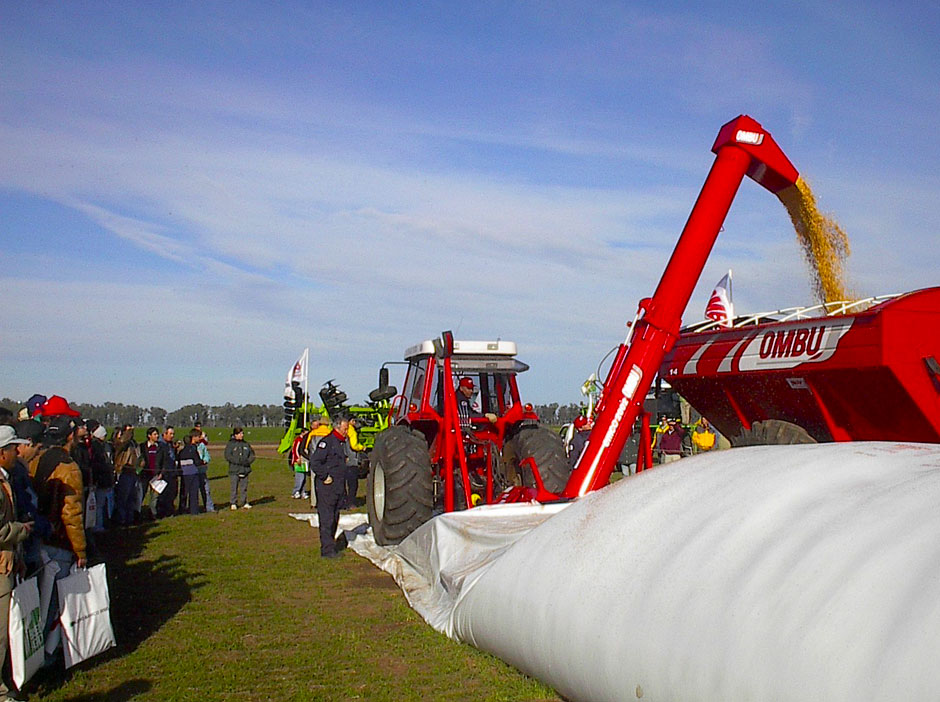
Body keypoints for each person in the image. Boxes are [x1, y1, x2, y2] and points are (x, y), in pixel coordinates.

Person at [0, 426, 34, 702]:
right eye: (13, 448)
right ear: (2, 454)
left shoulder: (6, 480)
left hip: (8, 562)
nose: (17, 452)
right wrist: (22, 529)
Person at [309, 416, 350, 558]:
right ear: (337, 427)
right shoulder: (327, 443)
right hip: (327, 488)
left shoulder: (341, 443)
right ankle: (327, 551)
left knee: (335, 517)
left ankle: (331, 545)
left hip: (338, 487)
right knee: (327, 519)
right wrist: (325, 476)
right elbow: (315, 462)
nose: (347, 431)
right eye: (345, 429)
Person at [138, 427, 166, 520]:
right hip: (145, 475)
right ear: (149, 436)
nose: (157, 436)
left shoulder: (161, 447)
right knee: (141, 495)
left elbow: (164, 461)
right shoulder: (142, 446)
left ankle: (153, 514)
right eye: (154, 434)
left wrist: (161, 473)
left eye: (157, 434)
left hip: (156, 475)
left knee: (155, 497)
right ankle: (137, 513)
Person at [225, 427, 255, 510]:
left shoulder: (246, 444)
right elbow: (228, 456)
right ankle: (233, 502)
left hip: (245, 469)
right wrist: (238, 461)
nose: (242, 435)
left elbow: (252, 455)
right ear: (235, 435)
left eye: (242, 433)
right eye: (240, 434)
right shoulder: (230, 444)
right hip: (234, 470)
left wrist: (248, 461)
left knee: (244, 487)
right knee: (234, 487)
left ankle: (244, 502)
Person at [177, 431, 204, 515]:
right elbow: (197, 461)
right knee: (193, 492)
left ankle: (182, 509)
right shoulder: (193, 450)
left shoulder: (181, 452)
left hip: (184, 474)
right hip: (192, 473)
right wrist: (202, 462)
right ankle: (194, 510)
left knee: (183, 492)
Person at [343, 418, 366, 509]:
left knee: (342, 483)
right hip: (352, 461)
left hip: (342, 460)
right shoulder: (352, 431)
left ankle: (343, 501)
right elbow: (354, 445)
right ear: (351, 421)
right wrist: (362, 447)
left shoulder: (342, 431)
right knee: (353, 484)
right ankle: (351, 503)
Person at [156, 426, 179, 518]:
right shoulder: (161, 445)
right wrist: (160, 472)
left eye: (173, 434)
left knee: (172, 493)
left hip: (172, 472)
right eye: (170, 434)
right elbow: (160, 460)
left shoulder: (169, 444)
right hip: (164, 473)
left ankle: (170, 510)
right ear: (164, 434)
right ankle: (162, 512)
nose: (172, 436)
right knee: (163, 494)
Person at [195, 429, 215, 513]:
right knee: (193, 491)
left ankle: (209, 507)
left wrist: (205, 460)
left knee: (206, 490)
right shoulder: (191, 446)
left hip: (202, 471)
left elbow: (207, 456)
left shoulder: (202, 446)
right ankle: (194, 508)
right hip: (193, 471)